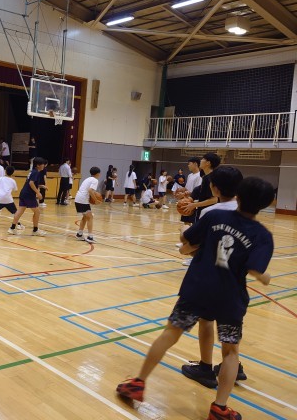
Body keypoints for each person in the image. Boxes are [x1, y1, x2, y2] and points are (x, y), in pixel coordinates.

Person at [116, 176, 275, 420]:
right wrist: (265, 277)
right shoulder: (263, 235)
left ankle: (138, 383)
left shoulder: (215, 216)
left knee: (170, 333)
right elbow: (255, 269)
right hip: (230, 298)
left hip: (197, 288)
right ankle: (219, 408)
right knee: (230, 352)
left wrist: (183, 232)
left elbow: (187, 241)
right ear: (267, 203)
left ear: (238, 196)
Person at [180, 166, 247, 389]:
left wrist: (184, 245)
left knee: (206, 321)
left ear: (213, 187)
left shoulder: (212, 212)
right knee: (230, 333)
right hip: (235, 285)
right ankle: (235, 366)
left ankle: (205, 368)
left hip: (211, 280)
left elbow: (193, 244)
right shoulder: (248, 212)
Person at [180, 153, 221, 266]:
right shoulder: (207, 177)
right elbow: (199, 191)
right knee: (204, 238)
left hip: (208, 213)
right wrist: (190, 198)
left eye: (203, 159)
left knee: (201, 238)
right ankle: (199, 259)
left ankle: (198, 259)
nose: (201, 161)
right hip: (206, 212)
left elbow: (214, 200)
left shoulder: (210, 178)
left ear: (208, 163)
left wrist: (194, 205)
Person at [9, 157, 47, 236]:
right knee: (37, 212)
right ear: (38, 165)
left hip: (24, 193)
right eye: (42, 164)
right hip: (29, 195)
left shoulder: (33, 172)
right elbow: (31, 183)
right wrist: (38, 193)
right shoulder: (36, 172)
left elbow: (31, 183)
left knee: (20, 211)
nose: (44, 165)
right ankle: (35, 230)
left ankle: (12, 228)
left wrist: (41, 186)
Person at [75, 166, 101, 243]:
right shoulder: (95, 180)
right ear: (98, 174)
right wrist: (96, 200)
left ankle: (79, 234)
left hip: (78, 199)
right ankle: (90, 237)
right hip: (83, 200)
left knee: (85, 217)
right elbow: (90, 190)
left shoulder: (87, 179)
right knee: (90, 217)